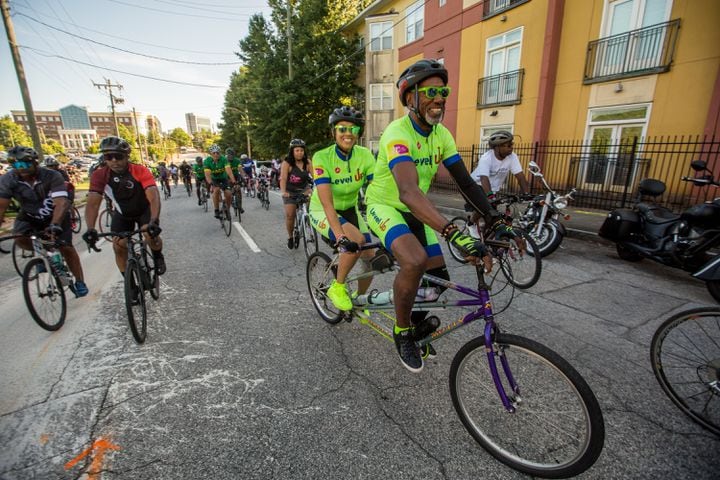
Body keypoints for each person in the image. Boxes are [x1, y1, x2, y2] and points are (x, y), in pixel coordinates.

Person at [365, 58, 506, 373]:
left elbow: (466, 183)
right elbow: (408, 191)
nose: (439, 98)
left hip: (416, 211)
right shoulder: (396, 133)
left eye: (443, 91)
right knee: (414, 262)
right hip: (386, 206)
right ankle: (402, 332)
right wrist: (452, 233)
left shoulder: (442, 135)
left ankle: (413, 324)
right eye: (430, 92)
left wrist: (495, 219)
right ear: (410, 97)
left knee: (438, 283)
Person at [309, 106, 376, 311]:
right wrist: (340, 236)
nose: (348, 134)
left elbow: (376, 189)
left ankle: (359, 299)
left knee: (371, 258)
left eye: (353, 129)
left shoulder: (364, 155)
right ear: (333, 132)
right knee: (355, 241)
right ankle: (336, 287)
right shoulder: (322, 157)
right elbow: (327, 203)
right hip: (323, 209)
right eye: (342, 129)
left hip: (350, 209)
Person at [0, 146, 88, 296]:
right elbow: (1, 206)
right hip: (29, 214)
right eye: (17, 165)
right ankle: (43, 254)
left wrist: (54, 225)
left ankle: (79, 281)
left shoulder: (51, 175)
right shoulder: (8, 179)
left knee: (66, 246)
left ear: (35, 162)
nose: (22, 169)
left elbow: (60, 202)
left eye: (25, 164)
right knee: (19, 238)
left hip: (56, 213)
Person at [83, 136, 166, 276]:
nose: (114, 160)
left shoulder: (140, 170)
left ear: (127, 156)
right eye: (109, 156)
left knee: (149, 233)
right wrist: (90, 228)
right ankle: (129, 283)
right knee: (119, 246)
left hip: (144, 210)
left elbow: (153, 195)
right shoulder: (99, 175)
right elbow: (92, 204)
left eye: (118, 156)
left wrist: (153, 220)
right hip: (123, 214)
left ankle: (158, 256)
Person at [470, 130, 530, 200]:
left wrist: (526, 194)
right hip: (476, 186)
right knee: (483, 209)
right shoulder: (486, 158)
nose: (511, 147)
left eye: (512, 144)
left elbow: (520, 176)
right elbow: (484, 178)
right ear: (497, 147)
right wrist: (490, 196)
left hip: (494, 189)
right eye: (508, 145)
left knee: (493, 209)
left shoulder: (512, 156)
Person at [280, 138, 313, 249]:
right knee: (290, 215)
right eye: (297, 150)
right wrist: (284, 192)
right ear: (292, 152)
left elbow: (316, 177)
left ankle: (307, 222)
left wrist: (315, 188)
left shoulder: (308, 162)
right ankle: (290, 237)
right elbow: (283, 178)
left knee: (311, 206)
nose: (300, 153)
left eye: (301, 150)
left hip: (304, 189)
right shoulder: (287, 163)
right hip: (290, 192)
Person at [203, 144, 236, 219]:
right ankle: (216, 210)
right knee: (216, 190)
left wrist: (233, 181)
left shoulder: (224, 159)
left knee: (228, 193)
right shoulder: (207, 161)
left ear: (220, 153)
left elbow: (229, 172)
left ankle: (227, 210)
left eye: (217, 153)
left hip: (223, 178)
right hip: (214, 179)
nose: (216, 154)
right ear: (211, 154)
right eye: (214, 153)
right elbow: (207, 175)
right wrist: (211, 183)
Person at [226, 148, 245, 214]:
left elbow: (240, 169)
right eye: (229, 155)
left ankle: (240, 206)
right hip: (227, 176)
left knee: (238, 189)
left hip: (236, 175)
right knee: (229, 191)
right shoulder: (224, 161)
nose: (231, 156)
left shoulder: (237, 160)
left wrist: (243, 176)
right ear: (227, 155)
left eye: (232, 155)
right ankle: (231, 201)